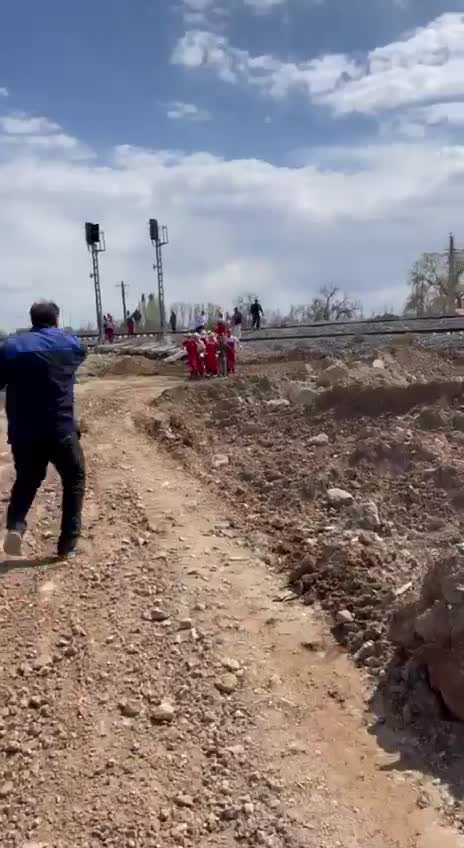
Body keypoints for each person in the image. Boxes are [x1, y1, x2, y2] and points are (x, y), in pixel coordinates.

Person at [0, 301, 86, 559]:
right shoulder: (70, 344)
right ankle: (67, 545)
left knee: (27, 479)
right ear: (56, 319)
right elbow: (80, 352)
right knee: (74, 478)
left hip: (24, 433)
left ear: (32, 320)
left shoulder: (12, 347)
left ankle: (15, 526)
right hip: (61, 429)